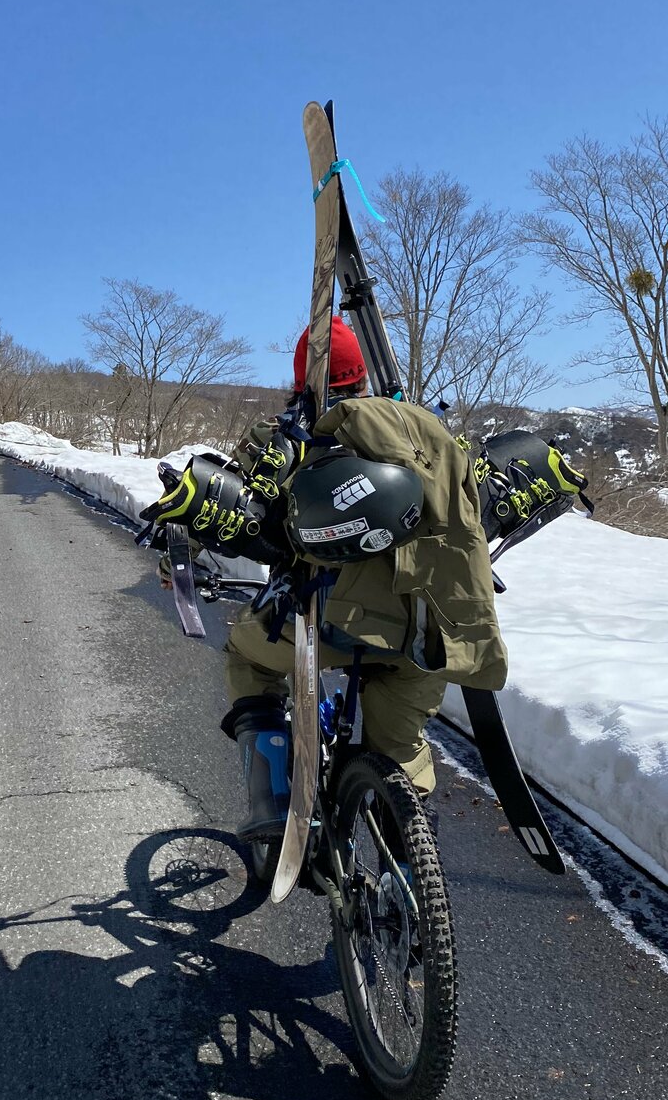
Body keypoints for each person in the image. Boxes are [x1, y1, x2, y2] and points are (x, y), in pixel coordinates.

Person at [155, 316, 507, 855]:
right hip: (426, 628)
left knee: (248, 660)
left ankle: (273, 800)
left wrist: (182, 557)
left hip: (329, 624)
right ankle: (409, 861)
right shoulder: (432, 432)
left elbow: (231, 503)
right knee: (400, 747)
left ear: (303, 381)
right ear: (361, 376)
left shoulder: (286, 438)